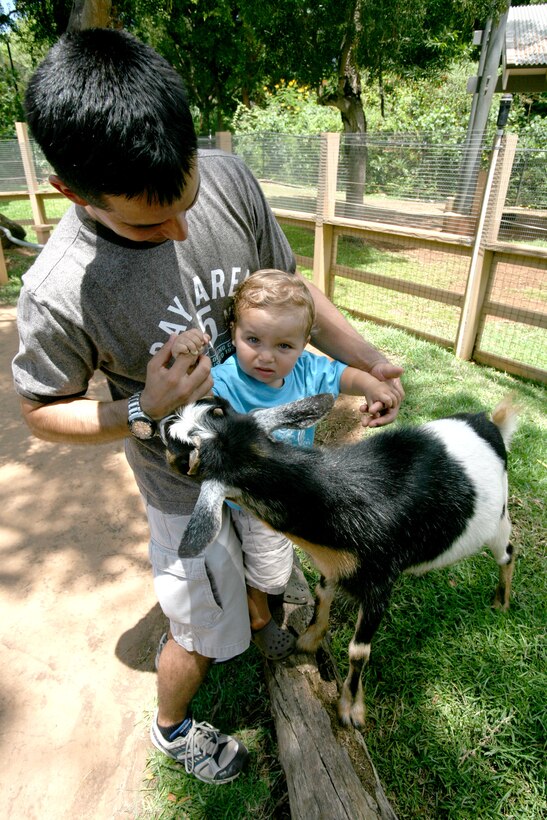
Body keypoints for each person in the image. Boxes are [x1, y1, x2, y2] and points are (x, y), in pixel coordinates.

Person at [11, 28, 404, 785]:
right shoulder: (59, 289)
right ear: (71, 193)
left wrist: (366, 359)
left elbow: (294, 291)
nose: (181, 232)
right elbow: (39, 413)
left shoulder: (227, 176)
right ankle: (172, 727)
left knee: (265, 565)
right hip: (182, 489)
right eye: (147, 226)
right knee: (198, 632)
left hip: (265, 462)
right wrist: (140, 409)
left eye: (186, 200)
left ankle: (259, 617)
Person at [172, 269, 400, 661]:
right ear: (235, 330)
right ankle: (259, 614)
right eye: (252, 340)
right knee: (271, 567)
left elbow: (344, 374)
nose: (265, 356)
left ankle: (259, 590)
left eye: (283, 346)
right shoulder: (224, 381)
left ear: (304, 343)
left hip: (288, 495)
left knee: (271, 558)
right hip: (251, 499)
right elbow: (190, 405)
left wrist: (373, 386)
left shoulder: (308, 370)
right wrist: (185, 355)